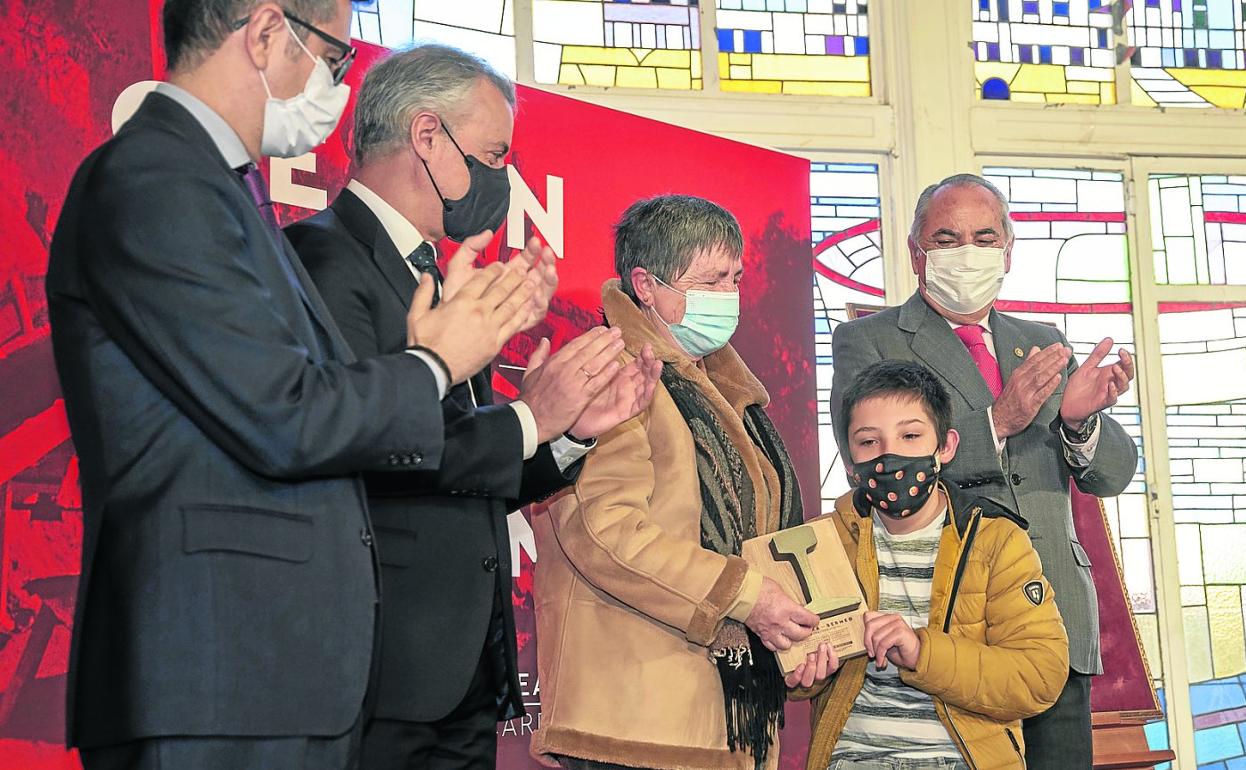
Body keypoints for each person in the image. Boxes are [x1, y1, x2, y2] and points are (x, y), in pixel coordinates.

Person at [45, 1, 547, 768]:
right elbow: (285, 415)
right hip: (215, 674)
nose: (337, 88)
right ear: (268, 32)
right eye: (336, 60)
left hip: (268, 676)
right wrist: (435, 363)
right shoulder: (155, 176)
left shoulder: (218, 189)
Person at [286, 44, 662, 770]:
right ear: (427, 137)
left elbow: (471, 463)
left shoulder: (443, 272)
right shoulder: (323, 260)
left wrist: (569, 437)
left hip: (463, 671)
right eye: (493, 156)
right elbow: (367, 448)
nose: (502, 179)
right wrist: (530, 418)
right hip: (377, 672)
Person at [829, 173, 1138, 768]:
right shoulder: (867, 340)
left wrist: (1079, 423)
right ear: (917, 255)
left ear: (1009, 251)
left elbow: (1115, 476)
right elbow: (865, 469)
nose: (966, 253)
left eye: (983, 237)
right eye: (946, 240)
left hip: (1053, 618)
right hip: (943, 619)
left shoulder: (1041, 341)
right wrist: (996, 419)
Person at [530, 195, 822, 770]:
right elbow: (605, 533)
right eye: (712, 279)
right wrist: (745, 595)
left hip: (723, 717)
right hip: (635, 716)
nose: (730, 295)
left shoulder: (728, 394)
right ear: (646, 284)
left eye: (735, 278)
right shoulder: (610, 373)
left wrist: (799, 627)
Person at [794, 359, 1069, 770]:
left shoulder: (996, 541)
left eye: (910, 435)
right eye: (868, 442)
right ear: (849, 462)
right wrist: (805, 677)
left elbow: (1039, 675)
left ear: (945, 447)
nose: (890, 456)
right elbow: (794, 671)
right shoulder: (820, 542)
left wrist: (921, 651)